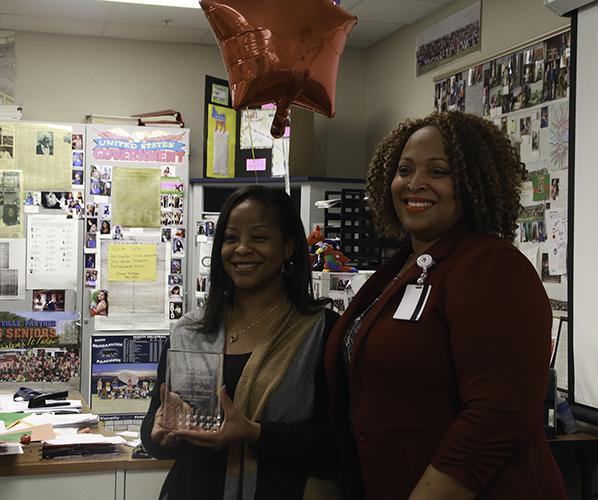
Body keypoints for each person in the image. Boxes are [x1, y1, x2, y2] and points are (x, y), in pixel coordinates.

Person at [325, 112, 568, 500]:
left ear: (472, 184)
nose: (415, 183)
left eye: (438, 171)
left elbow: (496, 419)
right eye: (404, 170)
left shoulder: (491, 266)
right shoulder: (401, 267)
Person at [141, 185, 341, 500]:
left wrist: (254, 433)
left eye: (259, 238)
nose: (242, 249)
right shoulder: (189, 331)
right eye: (231, 238)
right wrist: (160, 431)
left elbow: (338, 442)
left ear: (288, 247)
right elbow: (153, 433)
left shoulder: (320, 332)